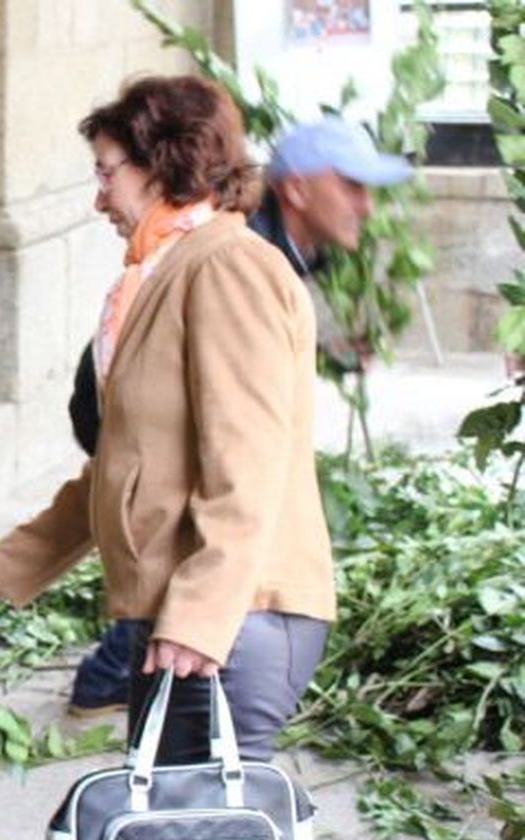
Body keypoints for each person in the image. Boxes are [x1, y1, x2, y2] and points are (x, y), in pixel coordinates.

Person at [0, 75, 337, 768]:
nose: (99, 196)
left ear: (163, 163)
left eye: (107, 172)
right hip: (193, 612)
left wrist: (200, 618)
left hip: (237, 615)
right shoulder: (170, 270)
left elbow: (249, 465)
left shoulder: (227, 267)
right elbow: (125, 467)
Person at [64, 115, 412, 717]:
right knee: (180, 528)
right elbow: (236, 453)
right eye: (352, 185)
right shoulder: (246, 256)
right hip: (120, 413)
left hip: (154, 423)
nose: (367, 203)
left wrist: (328, 353)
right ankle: (111, 675)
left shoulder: (299, 249)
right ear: (299, 188)